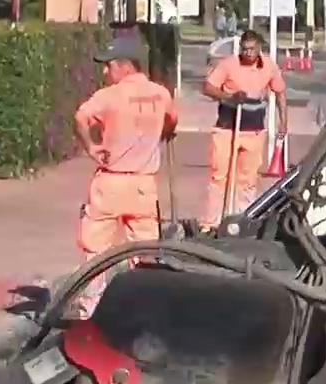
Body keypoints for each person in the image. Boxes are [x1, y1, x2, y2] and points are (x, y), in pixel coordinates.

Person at [72, 34, 177, 315]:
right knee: (144, 253)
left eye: (109, 66)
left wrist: (92, 147)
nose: (105, 72)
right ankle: (144, 310)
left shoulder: (109, 95)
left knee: (96, 252)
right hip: (144, 185)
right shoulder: (160, 93)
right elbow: (171, 122)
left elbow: (81, 118)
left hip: (111, 182)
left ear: (125, 66)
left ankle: (91, 311)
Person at [201, 29, 287, 223]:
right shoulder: (228, 64)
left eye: (252, 49)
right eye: (244, 49)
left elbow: (280, 92)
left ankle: (242, 219)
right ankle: (212, 222)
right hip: (227, 128)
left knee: (247, 179)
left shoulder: (269, 66)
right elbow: (208, 87)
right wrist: (229, 97)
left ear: (259, 48)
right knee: (219, 177)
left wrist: (284, 121)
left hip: (254, 129)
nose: (248, 53)